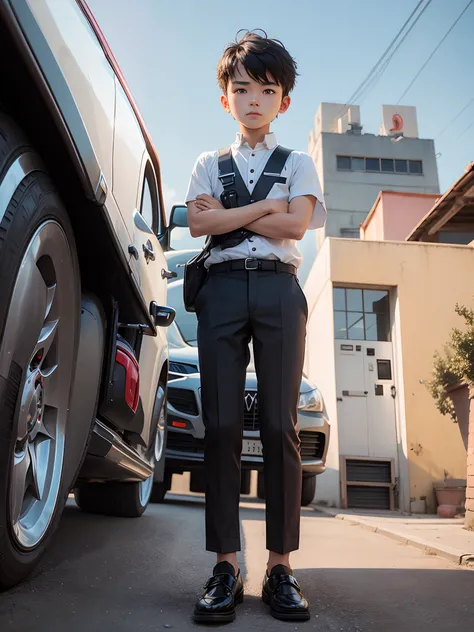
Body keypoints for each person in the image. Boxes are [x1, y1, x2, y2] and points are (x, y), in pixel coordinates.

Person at [185, 29, 326, 624]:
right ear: (225, 97)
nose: (253, 100)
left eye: (266, 90)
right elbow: (197, 227)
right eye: (241, 89)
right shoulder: (206, 164)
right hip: (219, 291)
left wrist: (231, 218)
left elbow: (298, 229)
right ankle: (225, 564)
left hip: (277, 292)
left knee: (278, 424)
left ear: (283, 101)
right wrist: (268, 208)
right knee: (219, 424)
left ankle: (280, 568)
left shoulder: (298, 162)